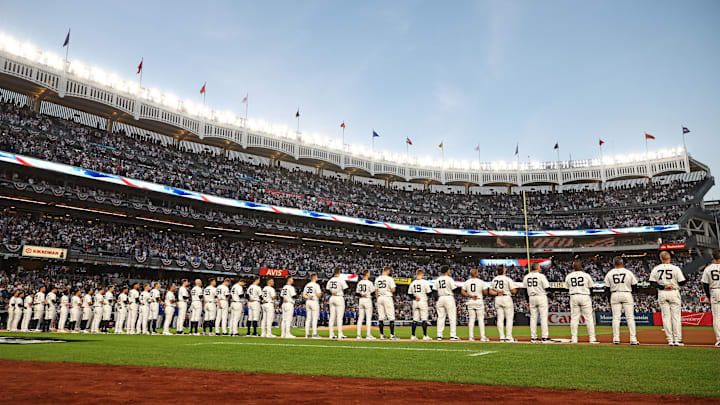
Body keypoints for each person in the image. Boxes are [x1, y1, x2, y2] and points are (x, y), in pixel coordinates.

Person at [649, 251, 687, 346]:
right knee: (676, 317)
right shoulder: (675, 268)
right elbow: (682, 282)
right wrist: (673, 284)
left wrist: (663, 287)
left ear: (661, 259)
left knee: (666, 317)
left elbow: (652, 282)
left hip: (662, 293)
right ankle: (677, 340)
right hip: (674, 292)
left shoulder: (656, 268)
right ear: (669, 258)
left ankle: (670, 340)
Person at [604, 256, 639, 345]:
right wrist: (631, 292)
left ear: (613, 264)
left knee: (616, 318)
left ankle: (616, 338)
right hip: (626, 293)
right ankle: (633, 339)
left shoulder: (610, 273)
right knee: (630, 317)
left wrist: (609, 300)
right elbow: (635, 285)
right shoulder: (628, 272)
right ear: (622, 263)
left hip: (614, 294)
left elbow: (607, 289)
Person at [565, 261, 599, 344]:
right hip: (584, 296)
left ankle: (574, 338)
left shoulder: (569, 276)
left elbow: (566, 288)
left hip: (573, 296)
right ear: (581, 267)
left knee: (574, 318)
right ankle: (592, 338)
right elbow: (591, 287)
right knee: (589, 318)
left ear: (573, 267)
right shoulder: (586, 275)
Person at [523, 263, 551, 343]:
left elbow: (525, 290)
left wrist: (527, 301)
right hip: (541, 296)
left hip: (531, 297)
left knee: (533, 318)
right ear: (538, 268)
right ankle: (545, 336)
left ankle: (533, 337)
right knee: (543, 317)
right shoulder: (541, 276)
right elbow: (547, 287)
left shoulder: (526, 277)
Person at [490, 265, 517, 342]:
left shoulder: (494, 279)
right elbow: (513, 291)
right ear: (504, 271)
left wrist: (497, 292)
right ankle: (508, 337)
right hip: (506, 298)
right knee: (509, 319)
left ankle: (502, 337)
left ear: (497, 271)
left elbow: (490, 291)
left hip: (498, 298)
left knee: (500, 319)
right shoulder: (507, 279)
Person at [462, 268, 489, 342]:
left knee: (471, 320)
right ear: (476, 273)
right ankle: (482, 337)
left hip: (470, 300)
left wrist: (470, 296)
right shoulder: (481, 282)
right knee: (480, 319)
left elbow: (462, 291)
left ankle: (471, 337)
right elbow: (486, 292)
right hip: (479, 300)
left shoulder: (467, 282)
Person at [434, 265, 460, 341]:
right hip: (448, 297)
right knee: (452, 317)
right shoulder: (449, 279)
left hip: (440, 298)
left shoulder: (437, 279)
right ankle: (452, 335)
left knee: (440, 317)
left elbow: (434, 291)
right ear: (447, 271)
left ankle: (439, 335)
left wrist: (437, 299)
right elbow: (454, 289)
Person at [701, 250, 720, 347]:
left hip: (715, 291)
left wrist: (708, 296)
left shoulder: (708, 268)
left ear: (713, 257)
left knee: (717, 317)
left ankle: (719, 339)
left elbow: (705, 284)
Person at [375, 266, 399, 340]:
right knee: (391, 316)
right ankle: (392, 335)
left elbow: (376, 290)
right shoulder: (389, 279)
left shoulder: (377, 279)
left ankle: (382, 335)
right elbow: (393, 289)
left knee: (381, 317)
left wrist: (377, 298)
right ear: (387, 271)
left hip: (379, 298)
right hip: (387, 297)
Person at [408, 269, 432, 341]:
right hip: (423, 301)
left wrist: (415, 297)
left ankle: (413, 335)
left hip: (415, 301)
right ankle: (425, 336)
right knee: (424, 319)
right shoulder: (424, 282)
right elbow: (429, 293)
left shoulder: (413, 283)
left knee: (415, 319)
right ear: (422, 274)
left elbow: (409, 294)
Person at [326, 268, 349, 339]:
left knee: (332, 317)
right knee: (339, 317)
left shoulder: (330, 280)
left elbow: (327, 290)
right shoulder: (341, 279)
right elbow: (346, 289)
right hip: (339, 297)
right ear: (339, 273)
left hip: (332, 297)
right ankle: (340, 334)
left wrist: (332, 292)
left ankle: (331, 334)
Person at [355, 270, 376, 339]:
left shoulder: (360, 282)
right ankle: (368, 335)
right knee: (368, 318)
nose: (369, 274)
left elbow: (356, 293)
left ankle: (358, 335)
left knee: (360, 318)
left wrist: (361, 294)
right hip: (367, 299)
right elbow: (373, 293)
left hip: (361, 300)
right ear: (367, 274)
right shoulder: (369, 283)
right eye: (369, 273)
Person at [302, 273, 322, 338]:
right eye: (316, 277)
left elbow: (304, 295)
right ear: (314, 277)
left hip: (308, 301)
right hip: (314, 301)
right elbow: (319, 295)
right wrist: (319, 294)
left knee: (308, 318)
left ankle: (307, 334)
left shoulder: (307, 285)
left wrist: (308, 297)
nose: (317, 278)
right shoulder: (316, 285)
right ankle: (314, 334)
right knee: (314, 319)